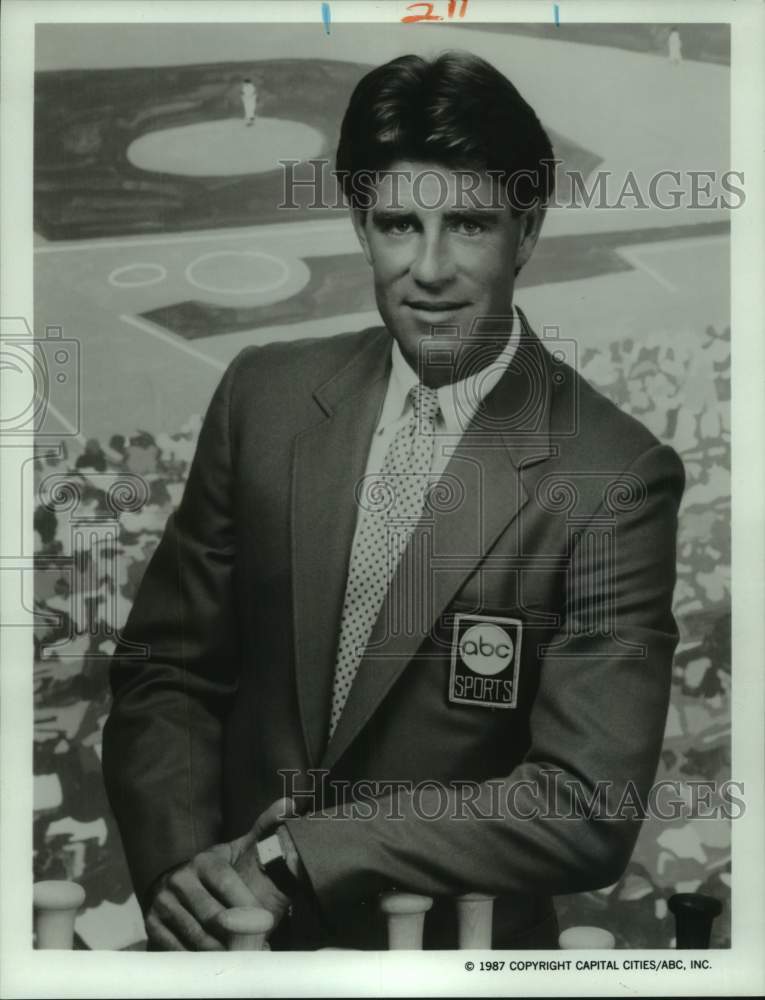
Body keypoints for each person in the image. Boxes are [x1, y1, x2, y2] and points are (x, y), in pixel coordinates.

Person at [102, 51, 685, 951]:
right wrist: (187, 875)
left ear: (525, 231)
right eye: (398, 224)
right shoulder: (262, 394)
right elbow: (166, 671)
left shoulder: (615, 474)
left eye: (470, 225)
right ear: (360, 226)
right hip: (225, 940)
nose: (430, 267)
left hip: (452, 954)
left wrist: (300, 853)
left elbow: (583, 803)